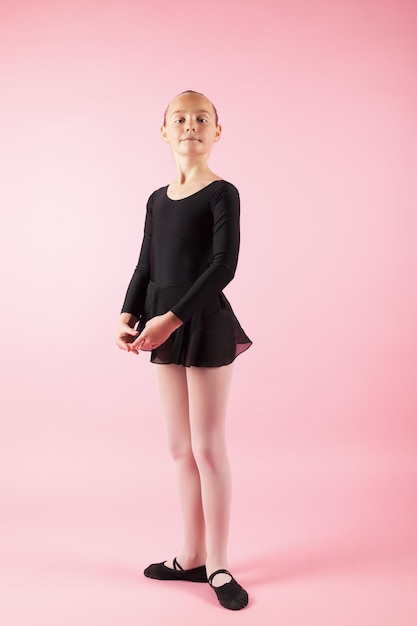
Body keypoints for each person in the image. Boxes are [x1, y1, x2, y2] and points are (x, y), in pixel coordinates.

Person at [116, 90, 252, 611]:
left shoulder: (223, 193)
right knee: (179, 448)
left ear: (217, 131)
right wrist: (126, 316)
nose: (190, 124)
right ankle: (190, 554)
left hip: (200, 322)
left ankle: (218, 562)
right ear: (164, 131)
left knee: (208, 447)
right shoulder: (156, 198)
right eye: (180, 118)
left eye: (202, 118)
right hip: (158, 324)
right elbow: (146, 263)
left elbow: (223, 266)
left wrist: (170, 319)